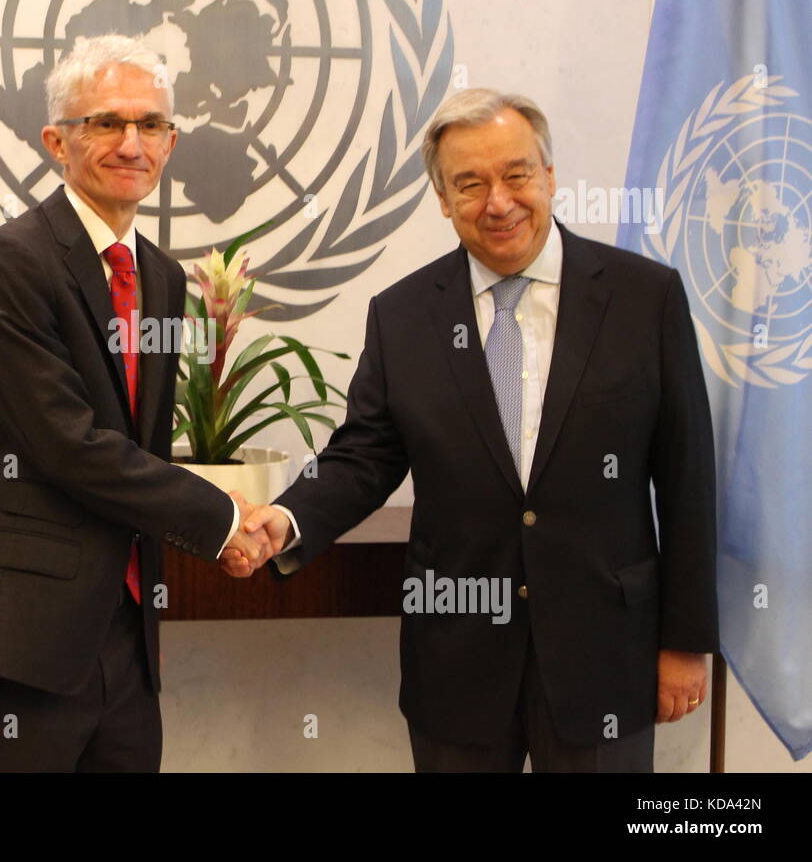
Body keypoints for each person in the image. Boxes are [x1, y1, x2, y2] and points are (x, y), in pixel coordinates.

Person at [239, 88, 718, 772]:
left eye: (517, 174)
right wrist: (288, 519)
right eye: (470, 183)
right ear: (442, 198)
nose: (499, 202)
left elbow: (688, 480)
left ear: (550, 176)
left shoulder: (646, 298)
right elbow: (365, 457)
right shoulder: (403, 316)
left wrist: (687, 641)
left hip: (606, 657)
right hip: (457, 663)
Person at [0, 33, 272, 772]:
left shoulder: (163, 278)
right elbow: (69, 446)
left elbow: (135, 452)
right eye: (105, 123)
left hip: (129, 639)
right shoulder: (12, 261)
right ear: (56, 141)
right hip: (23, 636)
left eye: (151, 125)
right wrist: (221, 517)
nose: (131, 143)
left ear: (172, 143)